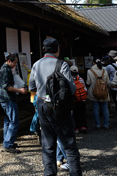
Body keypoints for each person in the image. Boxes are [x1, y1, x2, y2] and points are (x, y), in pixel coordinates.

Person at [29, 38, 82, 175]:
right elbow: (72, 89)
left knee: (48, 144)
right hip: (59, 106)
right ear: (57, 49)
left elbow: (32, 87)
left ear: (43, 49)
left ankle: (49, 173)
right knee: (69, 144)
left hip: (42, 104)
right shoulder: (62, 64)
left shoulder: (36, 64)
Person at [0, 53, 28, 153]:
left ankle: (7, 141)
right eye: (14, 63)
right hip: (8, 99)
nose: (15, 65)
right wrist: (20, 90)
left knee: (8, 121)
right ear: (9, 61)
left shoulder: (4, 68)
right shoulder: (6, 70)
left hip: (4, 99)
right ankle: (8, 144)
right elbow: (7, 86)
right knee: (14, 122)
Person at [87, 58, 110, 130]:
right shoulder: (104, 70)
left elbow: (88, 82)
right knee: (105, 108)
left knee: (95, 108)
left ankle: (97, 125)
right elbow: (107, 81)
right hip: (103, 90)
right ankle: (106, 125)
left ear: (93, 63)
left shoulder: (89, 71)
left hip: (94, 92)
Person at [71, 65, 88, 133]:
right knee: (82, 113)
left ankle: (76, 128)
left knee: (75, 114)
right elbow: (85, 88)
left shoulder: (70, 80)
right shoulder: (81, 79)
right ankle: (83, 126)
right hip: (82, 99)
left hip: (74, 99)